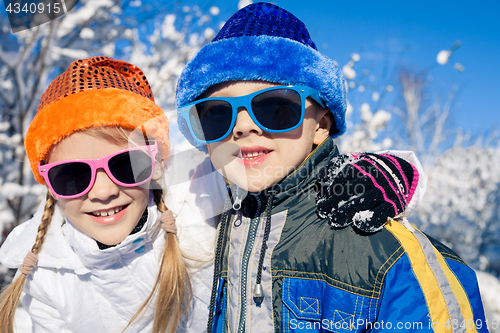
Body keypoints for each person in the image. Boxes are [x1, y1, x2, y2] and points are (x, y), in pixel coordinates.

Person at [175, 2, 488, 332]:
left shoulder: (386, 254)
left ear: (321, 126)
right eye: (217, 115)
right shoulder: (203, 217)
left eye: (275, 107)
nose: (242, 127)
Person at [0, 56, 211, 333]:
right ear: (49, 183)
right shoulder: (47, 279)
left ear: (156, 163)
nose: (104, 192)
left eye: (126, 165)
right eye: (73, 176)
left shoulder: (202, 209)